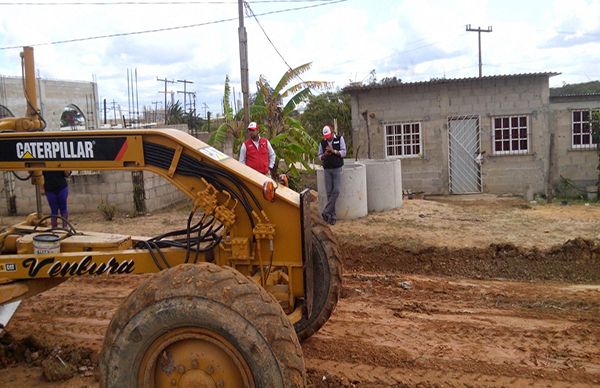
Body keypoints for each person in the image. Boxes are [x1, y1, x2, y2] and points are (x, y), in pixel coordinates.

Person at [318, 125, 346, 225]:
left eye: (329, 136)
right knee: (329, 192)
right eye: (326, 136)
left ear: (332, 132)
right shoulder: (322, 143)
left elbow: (344, 152)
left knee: (336, 190)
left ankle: (326, 211)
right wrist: (325, 154)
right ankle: (332, 216)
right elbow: (319, 156)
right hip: (327, 169)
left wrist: (333, 151)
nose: (327, 138)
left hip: (337, 168)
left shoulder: (339, 139)